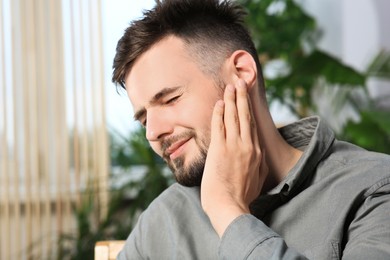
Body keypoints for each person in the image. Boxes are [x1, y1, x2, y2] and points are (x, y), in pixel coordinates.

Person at [111, 0, 390, 259]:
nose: (153, 133)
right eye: (145, 119)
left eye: (170, 99)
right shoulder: (163, 220)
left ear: (242, 73)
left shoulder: (374, 189)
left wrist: (227, 211)